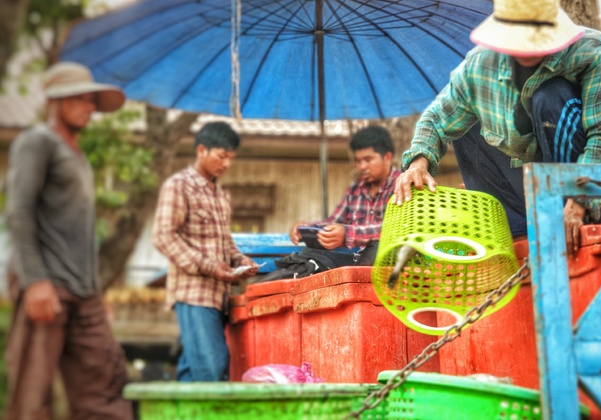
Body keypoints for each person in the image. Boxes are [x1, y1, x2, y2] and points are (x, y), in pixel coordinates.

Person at [394, 0, 601, 256]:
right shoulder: (479, 68)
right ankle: (509, 225)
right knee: (465, 123)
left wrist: (579, 200)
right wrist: (418, 163)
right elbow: (435, 119)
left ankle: (564, 204)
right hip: (530, 193)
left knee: (548, 96)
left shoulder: (592, 51)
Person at [4, 61, 133, 419]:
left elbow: (78, 232)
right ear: (55, 102)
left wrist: (95, 290)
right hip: (47, 285)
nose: (88, 107)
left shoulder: (78, 156)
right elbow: (19, 211)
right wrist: (34, 281)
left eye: (91, 100)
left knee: (106, 384)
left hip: (83, 292)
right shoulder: (37, 141)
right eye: (78, 99)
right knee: (33, 397)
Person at [152, 121, 260, 381]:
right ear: (202, 150)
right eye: (221, 156)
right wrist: (208, 265)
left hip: (220, 297)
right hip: (193, 295)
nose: (226, 164)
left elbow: (225, 241)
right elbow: (163, 236)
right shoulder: (178, 186)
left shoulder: (220, 195)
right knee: (213, 367)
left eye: (230, 159)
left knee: (194, 372)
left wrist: (240, 260)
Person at [263, 126, 401, 281]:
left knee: (377, 248)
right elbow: (334, 223)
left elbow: (398, 229)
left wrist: (347, 234)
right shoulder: (356, 189)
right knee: (310, 251)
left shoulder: (403, 186)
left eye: (368, 160)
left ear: (387, 157)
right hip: (357, 261)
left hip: (389, 265)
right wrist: (309, 229)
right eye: (358, 161)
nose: (362, 167)